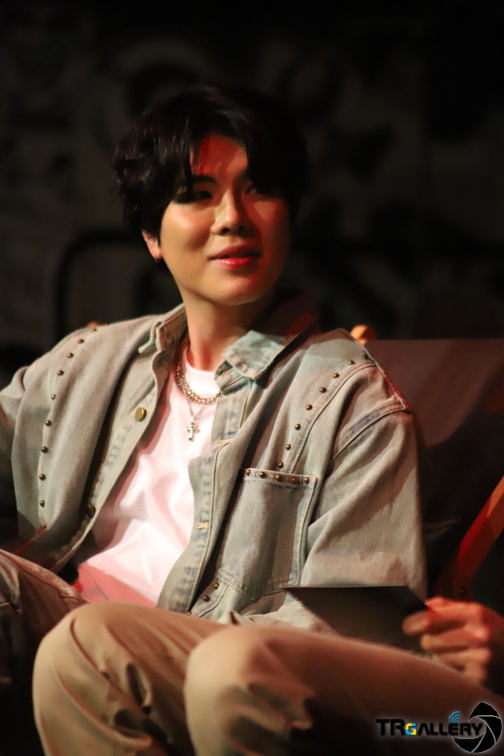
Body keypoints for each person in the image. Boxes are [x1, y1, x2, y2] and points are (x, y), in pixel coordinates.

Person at [1, 85, 424, 754]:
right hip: (66, 625)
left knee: (89, 643)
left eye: (259, 190)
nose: (233, 218)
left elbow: (352, 631)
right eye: (197, 194)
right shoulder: (86, 361)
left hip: (211, 663)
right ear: (151, 235)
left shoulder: (350, 404)